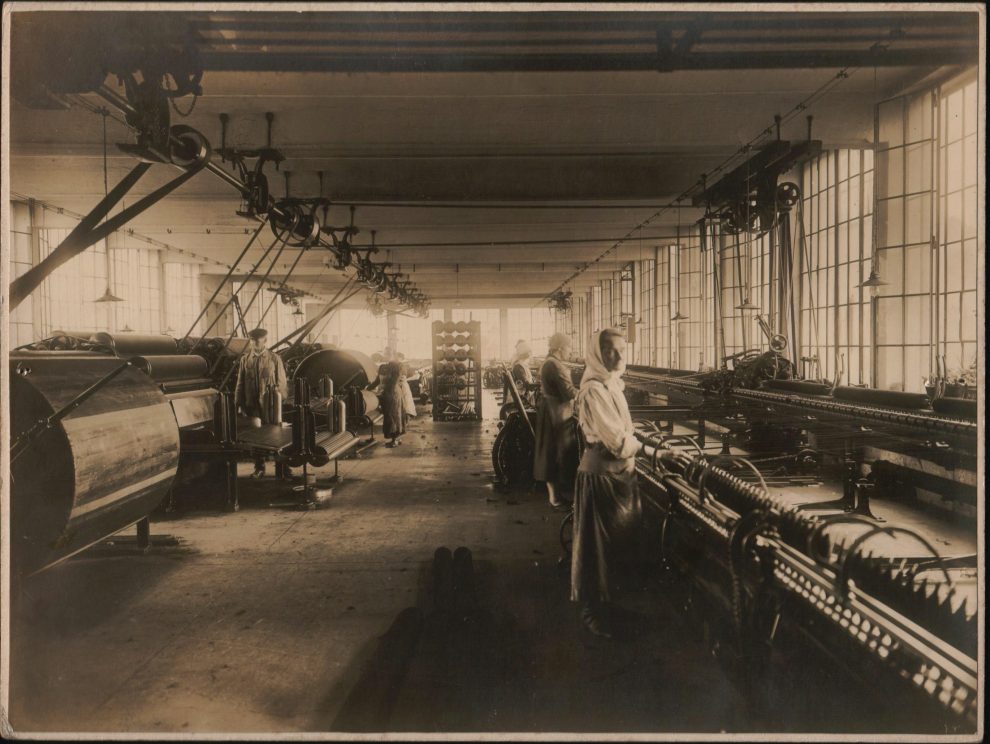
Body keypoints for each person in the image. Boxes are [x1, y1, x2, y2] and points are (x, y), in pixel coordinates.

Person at [571, 328, 656, 639]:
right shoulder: (593, 389)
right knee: (597, 548)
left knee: (618, 545)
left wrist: (642, 441)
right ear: (597, 354)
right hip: (602, 476)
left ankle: (613, 608)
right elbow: (618, 441)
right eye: (611, 351)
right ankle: (593, 614)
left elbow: (625, 431)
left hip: (620, 474)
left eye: (623, 349)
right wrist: (653, 450)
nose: (619, 356)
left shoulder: (613, 385)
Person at [234, 327, 288, 478]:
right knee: (257, 437)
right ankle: (259, 468)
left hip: (271, 405)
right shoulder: (245, 359)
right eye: (252, 341)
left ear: (265, 340)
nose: (254, 343)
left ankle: (282, 469)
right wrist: (238, 404)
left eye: (257, 341)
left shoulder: (274, 359)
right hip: (252, 405)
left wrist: (278, 402)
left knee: (277, 435)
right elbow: (240, 384)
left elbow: (282, 382)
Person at [533, 333, 578, 509]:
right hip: (556, 413)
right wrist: (588, 392)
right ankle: (556, 497)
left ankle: (556, 496)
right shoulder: (554, 365)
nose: (570, 351)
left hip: (552, 411)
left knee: (552, 454)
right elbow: (568, 391)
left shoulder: (550, 362)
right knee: (556, 454)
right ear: (560, 348)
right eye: (569, 348)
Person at [379, 361, 406, 447]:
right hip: (395, 394)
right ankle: (397, 439)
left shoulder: (393, 376)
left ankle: (394, 440)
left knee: (392, 416)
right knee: (396, 416)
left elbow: (389, 387)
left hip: (392, 396)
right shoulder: (394, 374)